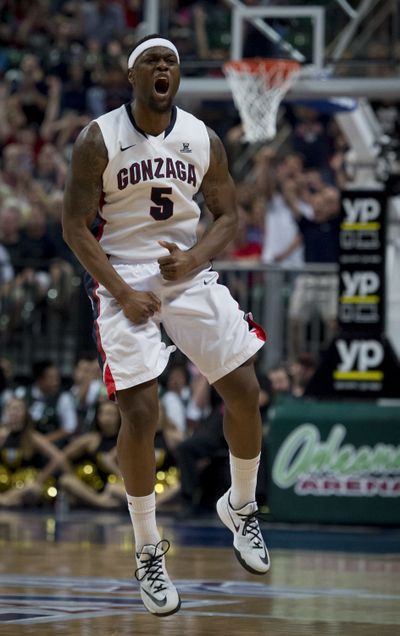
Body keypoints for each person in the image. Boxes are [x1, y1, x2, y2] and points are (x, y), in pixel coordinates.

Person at [62, 34, 269, 617]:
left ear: (177, 77)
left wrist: (196, 258)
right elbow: (75, 228)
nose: (163, 68)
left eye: (171, 61)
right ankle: (148, 547)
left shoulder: (203, 138)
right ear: (132, 75)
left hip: (185, 271)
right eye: (152, 60)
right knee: (141, 411)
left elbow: (228, 216)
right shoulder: (97, 139)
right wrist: (123, 291)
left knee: (246, 390)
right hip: (119, 273)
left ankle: (243, 507)